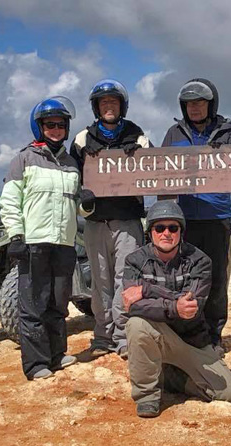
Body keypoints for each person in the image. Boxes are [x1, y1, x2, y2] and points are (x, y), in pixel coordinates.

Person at [161, 78, 231, 357]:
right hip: (184, 219)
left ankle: (214, 336)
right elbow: (159, 172)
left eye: (200, 103)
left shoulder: (226, 132)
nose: (195, 108)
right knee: (183, 278)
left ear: (210, 105)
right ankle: (188, 333)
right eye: (190, 104)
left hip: (217, 218)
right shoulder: (172, 134)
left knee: (215, 280)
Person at [122, 201, 231, 418]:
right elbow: (133, 306)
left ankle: (171, 377)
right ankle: (147, 395)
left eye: (173, 228)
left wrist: (147, 290)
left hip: (191, 339)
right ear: (150, 232)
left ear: (181, 232)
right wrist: (174, 305)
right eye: (159, 228)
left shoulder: (199, 261)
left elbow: (192, 307)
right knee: (137, 324)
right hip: (156, 335)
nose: (166, 233)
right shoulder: (135, 261)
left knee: (228, 392)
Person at [0, 96, 86, 380]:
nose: (56, 129)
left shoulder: (72, 163)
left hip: (64, 241)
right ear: (39, 127)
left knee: (58, 303)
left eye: (61, 124)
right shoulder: (24, 159)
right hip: (34, 241)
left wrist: (88, 202)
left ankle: (57, 354)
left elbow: (78, 206)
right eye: (50, 124)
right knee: (33, 303)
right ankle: (36, 364)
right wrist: (15, 235)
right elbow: (11, 200)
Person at [70, 79, 152, 359]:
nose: (108, 107)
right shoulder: (82, 139)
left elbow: (153, 171)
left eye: (113, 102)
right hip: (95, 222)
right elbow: (73, 177)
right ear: (96, 107)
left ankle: (123, 335)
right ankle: (102, 335)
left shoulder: (138, 136)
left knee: (125, 278)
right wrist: (83, 196)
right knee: (100, 279)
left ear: (122, 106)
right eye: (103, 103)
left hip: (128, 220)